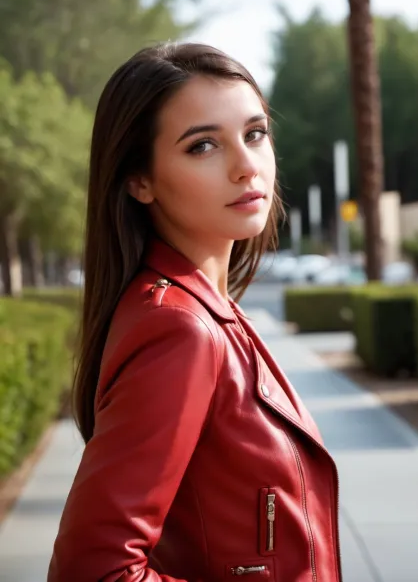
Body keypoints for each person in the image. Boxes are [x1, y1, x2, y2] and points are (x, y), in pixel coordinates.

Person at [48, 42, 342, 582]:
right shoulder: (179, 329)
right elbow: (95, 570)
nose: (246, 166)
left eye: (254, 134)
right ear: (140, 180)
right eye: (203, 146)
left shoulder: (207, 311)